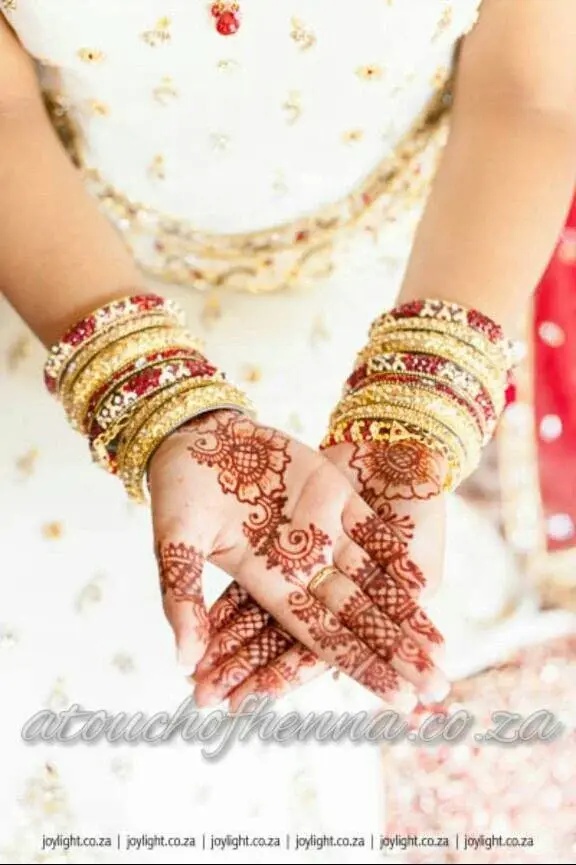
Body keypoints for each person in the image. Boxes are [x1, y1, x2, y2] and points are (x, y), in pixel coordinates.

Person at [0, 2, 575, 861]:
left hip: (412, 276)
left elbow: (532, 93)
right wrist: (159, 403)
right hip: (65, 271)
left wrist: (418, 409)